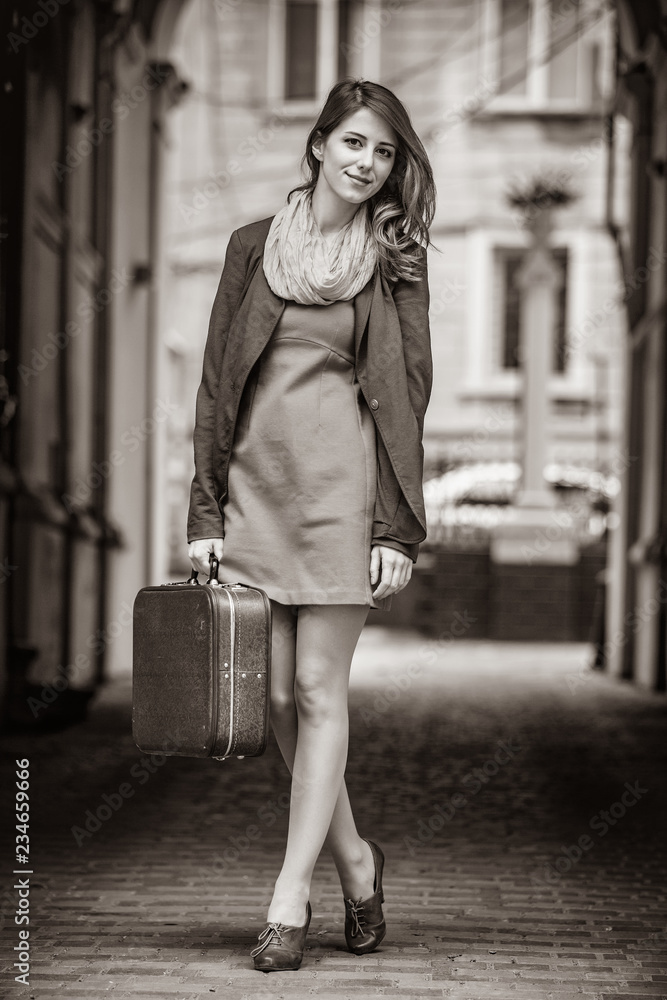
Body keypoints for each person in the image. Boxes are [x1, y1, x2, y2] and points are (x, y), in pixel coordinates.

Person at [187, 78, 435, 972]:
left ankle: (288, 900)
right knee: (279, 702)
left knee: (320, 693)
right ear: (321, 144)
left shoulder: (395, 261)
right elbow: (220, 386)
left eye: (385, 151)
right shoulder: (252, 248)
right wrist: (204, 511)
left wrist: (394, 531)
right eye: (355, 144)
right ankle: (358, 863)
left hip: (341, 498)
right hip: (255, 495)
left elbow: (406, 401)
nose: (368, 164)